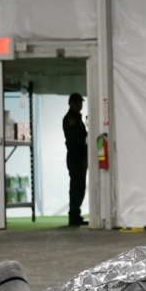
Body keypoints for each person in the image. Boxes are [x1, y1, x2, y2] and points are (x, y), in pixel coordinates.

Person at [63, 93, 88, 227]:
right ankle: (73, 216)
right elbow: (76, 138)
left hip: (79, 156)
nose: (80, 105)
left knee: (79, 187)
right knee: (77, 187)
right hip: (76, 156)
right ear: (72, 103)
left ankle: (75, 214)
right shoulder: (71, 119)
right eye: (78, 102)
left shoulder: (76, 118)